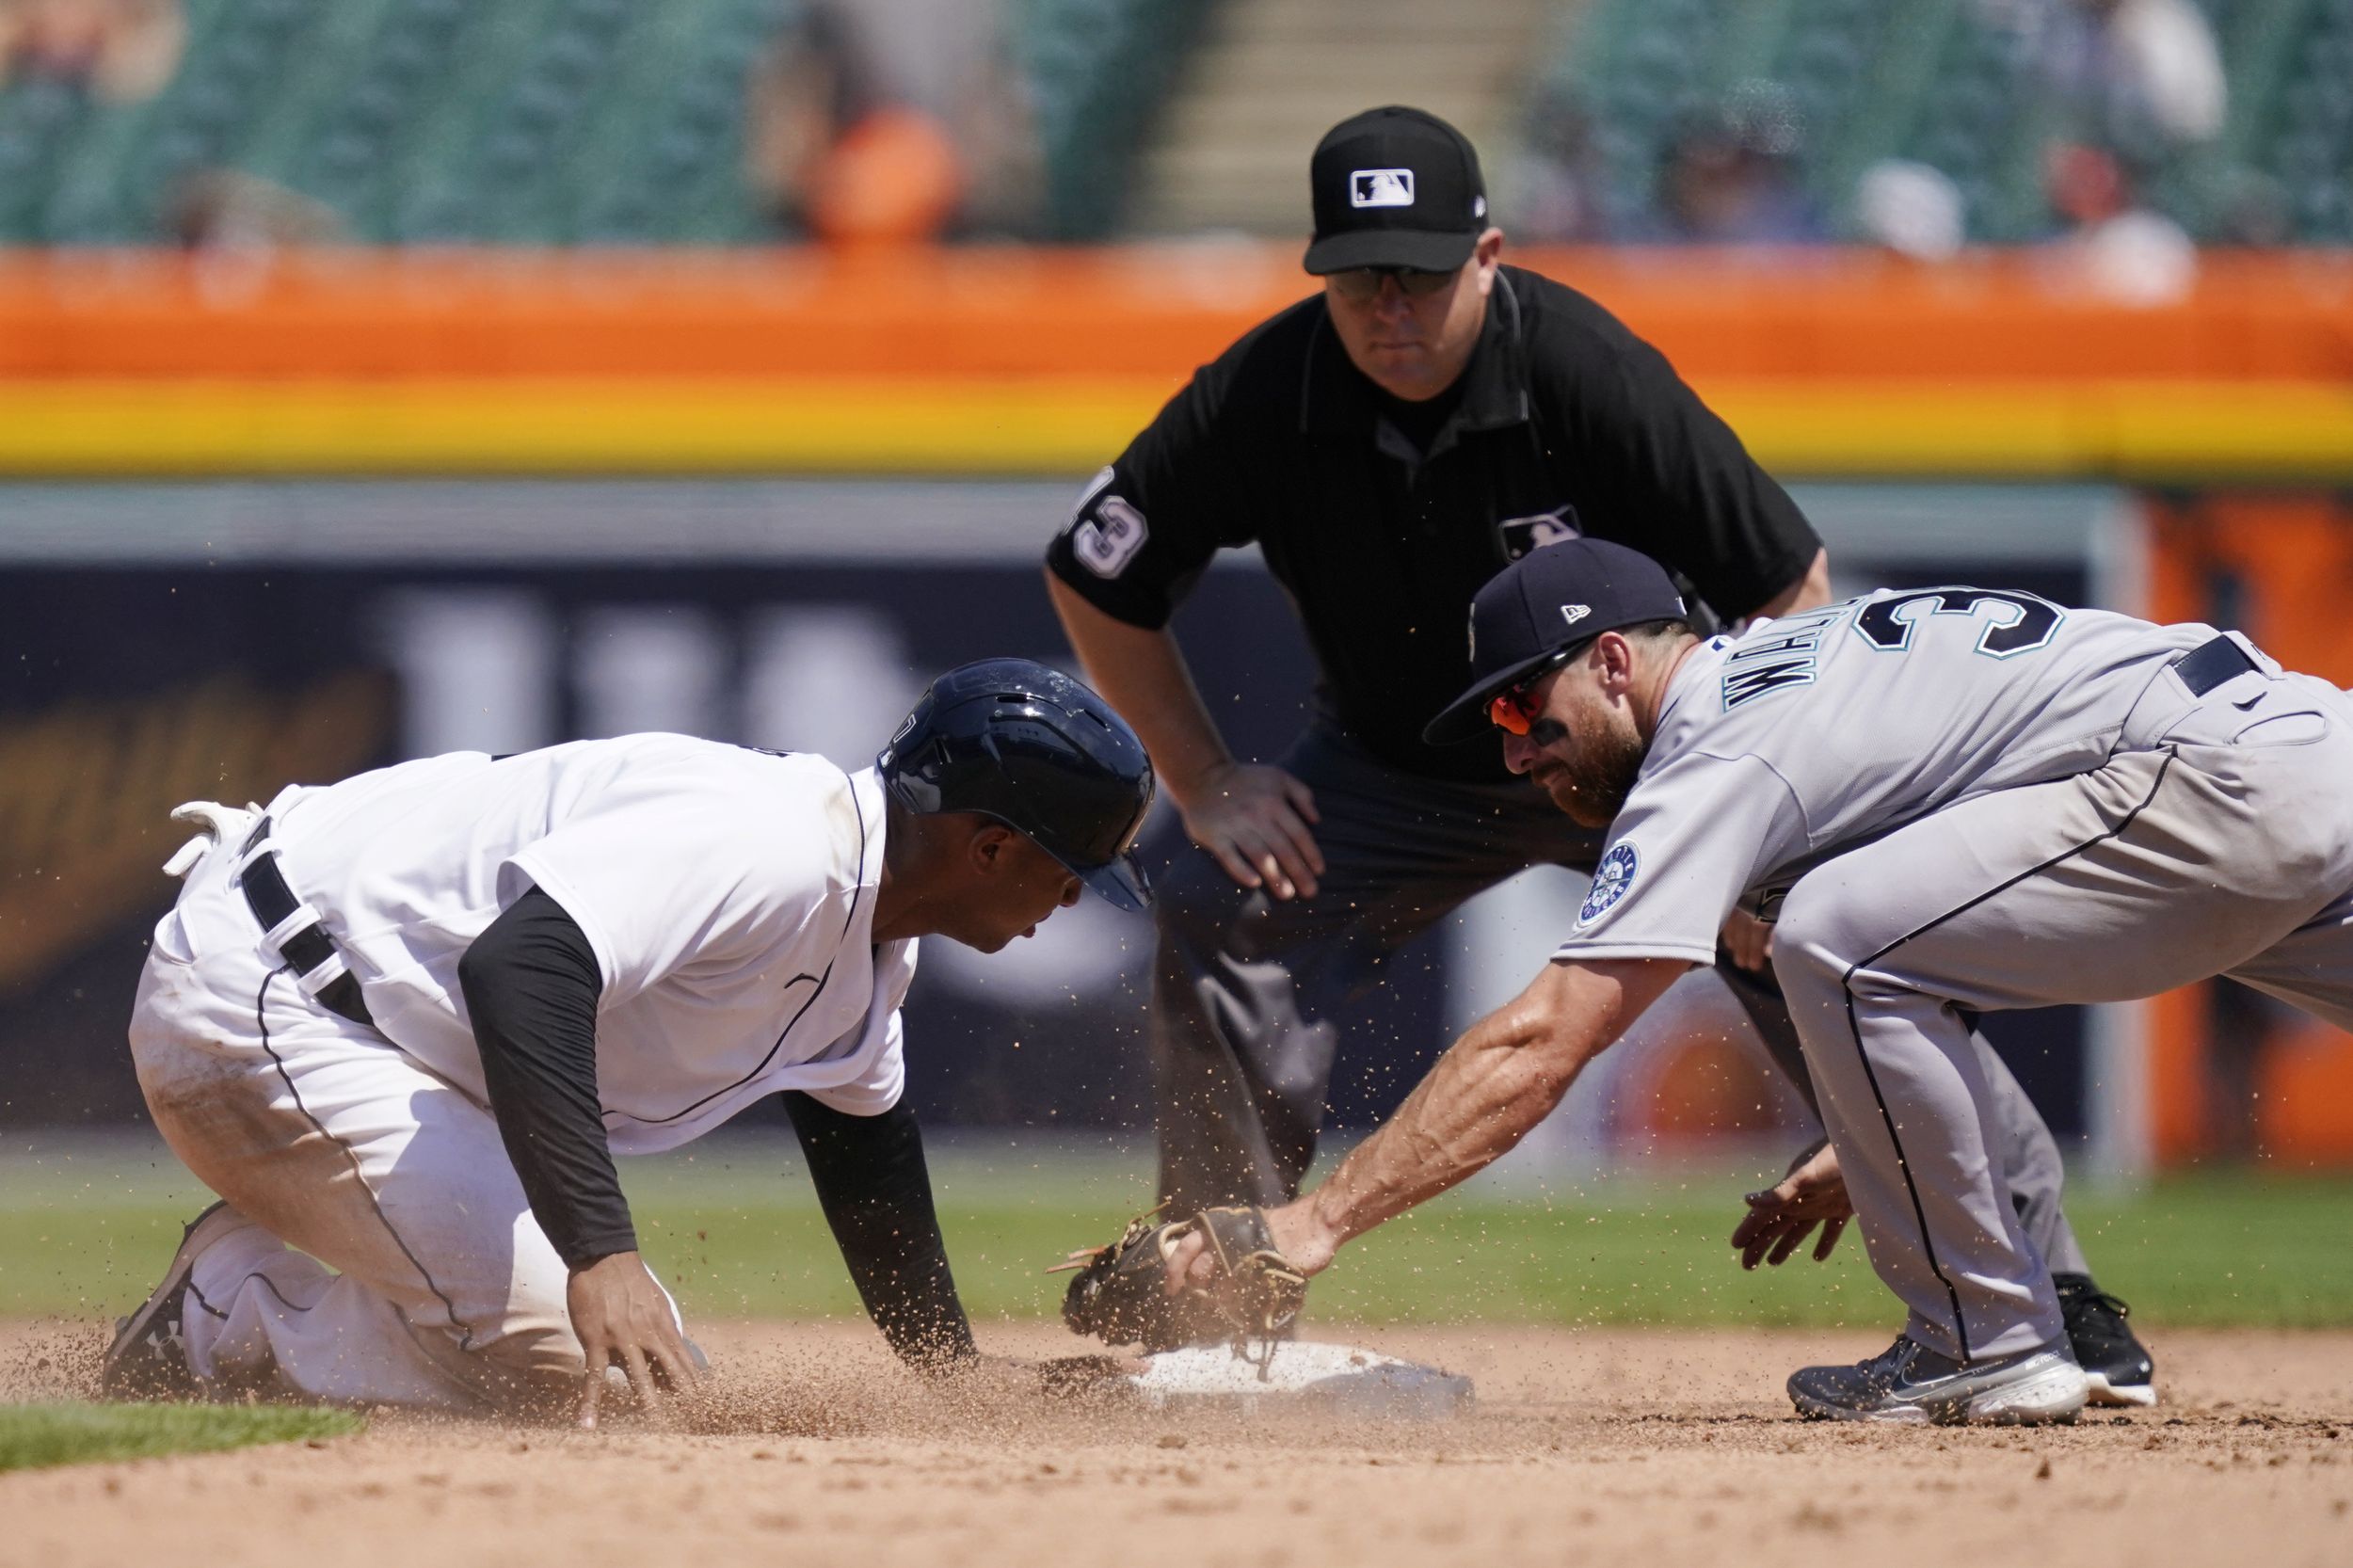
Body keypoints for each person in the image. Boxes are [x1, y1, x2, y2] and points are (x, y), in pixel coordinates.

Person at [1043, 104, 2151, 1399]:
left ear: (1490, 254)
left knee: (1840, 924)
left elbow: (1789, 587)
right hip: (1398, 767)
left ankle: (2050, 1290)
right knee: (1223, 899)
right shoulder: (1267, 389)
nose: (1387, 306)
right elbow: (1094, 568)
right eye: (1356, 279)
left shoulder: (1583, 367)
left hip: (1631, 752)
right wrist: (1205, 777)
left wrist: (1763, 821)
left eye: (1418, 271)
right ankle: (1221, 1312)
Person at [1166, 536, 2351, 1422]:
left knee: (1827, 934)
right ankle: (1982, 1322)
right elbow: (1971, 912)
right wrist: (1889, 1132)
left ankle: (1980, 1336)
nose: (1518, 750)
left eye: (1528, 701)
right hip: (2305, 751)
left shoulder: (1718, 738)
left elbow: (1548, 1039)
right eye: (1498, 729)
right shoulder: (1814, 666)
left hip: (2202, 780)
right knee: (1850, 939)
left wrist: (1309, 1221)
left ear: (1617, 659)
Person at [103, 659, 1153, 1422]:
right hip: (266, 992)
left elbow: (865, 1155)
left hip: (380, 1033)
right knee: (576, 1359)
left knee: (624, 1373)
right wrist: (601, 1255)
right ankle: (226, 1309)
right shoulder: (777, 844)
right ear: (987, 845)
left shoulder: (868, 934)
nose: (1071, 897)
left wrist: (953, 1374)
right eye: (1070, 868)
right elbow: (520, 970)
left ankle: (300, 1269)